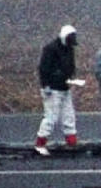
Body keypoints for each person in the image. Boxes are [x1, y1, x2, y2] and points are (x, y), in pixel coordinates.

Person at [34, 25, 80, 155]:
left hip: (64, 87)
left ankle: (71, 142)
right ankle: (40, 144)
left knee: (69, 116)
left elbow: (70, 66)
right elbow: (44, 68)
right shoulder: (50, 49)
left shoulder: (69, 49)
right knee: (51, 117)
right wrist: (45, 85)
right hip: (52, 89)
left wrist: (71, 77)